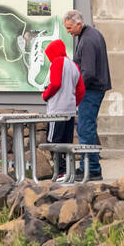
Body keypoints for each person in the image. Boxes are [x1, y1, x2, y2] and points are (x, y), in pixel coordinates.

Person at [65, 10, 109, 180]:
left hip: (91, 89)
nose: (68, 31)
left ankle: (91, 169)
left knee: (85, 128)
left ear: (78, 24)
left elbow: (88, 72)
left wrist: (77, 89)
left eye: (69, 28)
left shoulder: (87, 40)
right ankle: (87, 167)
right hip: (95, 88)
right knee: (87, 128)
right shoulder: (91, 35)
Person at [41, 38, 85, 182]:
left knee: (53, 141)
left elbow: (55, 84)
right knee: (66, 142)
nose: (49, 59)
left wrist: (45, 94)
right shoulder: (73, 65)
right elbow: (81, 90)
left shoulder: (57, 62)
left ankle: (60, 172)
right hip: (70, 110)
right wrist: (73, 103)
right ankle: (68, 171)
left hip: (57, 110)